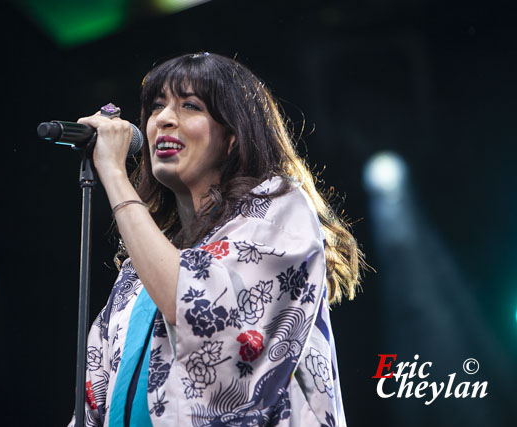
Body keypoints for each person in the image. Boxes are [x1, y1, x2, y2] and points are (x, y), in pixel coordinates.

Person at [68, 52, 364, 427]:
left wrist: (112, 172)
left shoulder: (278, 209)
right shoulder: (140, 268)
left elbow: (196, 307)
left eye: (190, 105)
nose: (164, 119)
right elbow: (95, 399)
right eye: (157, 106)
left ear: (233, 137)